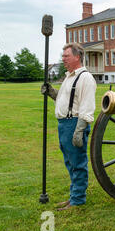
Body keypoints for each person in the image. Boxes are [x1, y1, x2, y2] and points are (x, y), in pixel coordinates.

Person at [41, 42, 97, 211]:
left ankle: (78, 199)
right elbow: (67, 100)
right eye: (63, 56)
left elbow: (87, 106)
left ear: (77, 57)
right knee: (70, 162)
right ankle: (74, 196)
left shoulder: (85, 78)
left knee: (78, 162)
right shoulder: (69, 76)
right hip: (64, 124)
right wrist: (51, 92)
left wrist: (79, 130)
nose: (63, 58)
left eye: (66, 56)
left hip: (74, 124)